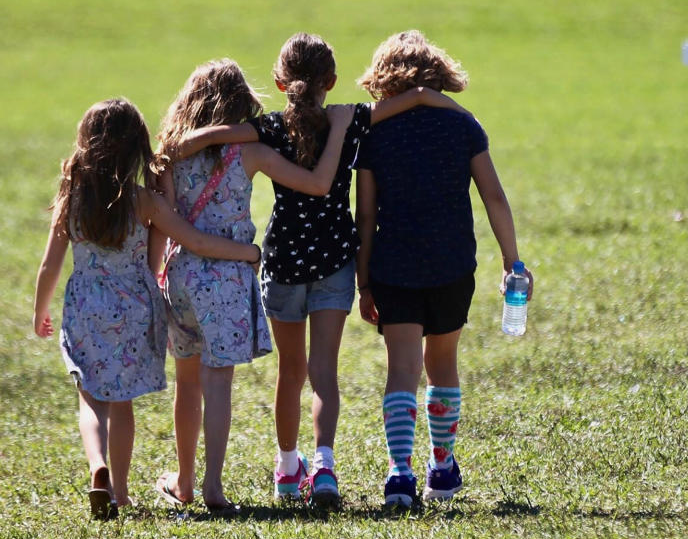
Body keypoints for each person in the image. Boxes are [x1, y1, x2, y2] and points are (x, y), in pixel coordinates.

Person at [172, 34, 468, 505]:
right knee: (324, 372)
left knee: (291, 372)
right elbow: (412, 98)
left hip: (283, 260)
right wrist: (448, 107)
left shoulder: (268, 127)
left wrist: (187, 141)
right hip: (334, 259)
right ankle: (325, 466)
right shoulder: (347, 120)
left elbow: (222, 135)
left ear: (279, 81)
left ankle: (289, 469)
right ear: (330, 81)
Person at [31, 99, 260, 520]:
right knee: (122, 403)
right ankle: (119, 492)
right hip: (135, 307)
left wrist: (39, 311)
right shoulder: (145, 202)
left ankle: (96, 466)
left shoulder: (71, 197)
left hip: (86, 307)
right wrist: (247, 251)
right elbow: (196, 241)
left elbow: (50, 264)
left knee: (91, 400)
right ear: (136, 149)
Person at [152, 58, 355, 512]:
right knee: (217, 382)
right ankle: (213, 488)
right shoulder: (252, 153)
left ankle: (183, 482)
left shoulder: (168, 154)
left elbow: (163, 222)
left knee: (187, 384)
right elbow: (318, 184)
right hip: (225, 280)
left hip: (179, 275)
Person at [354, 30, 534, 508]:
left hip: (394, 265)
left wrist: (363, 279)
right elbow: (493, 196)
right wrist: (513, 260)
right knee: (442, 365)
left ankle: (399, 474)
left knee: (402, 369)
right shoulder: (464, 126)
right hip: (453, 262)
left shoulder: (375, 132)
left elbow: (366, 214)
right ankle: (441, 466)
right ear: (439, 76)